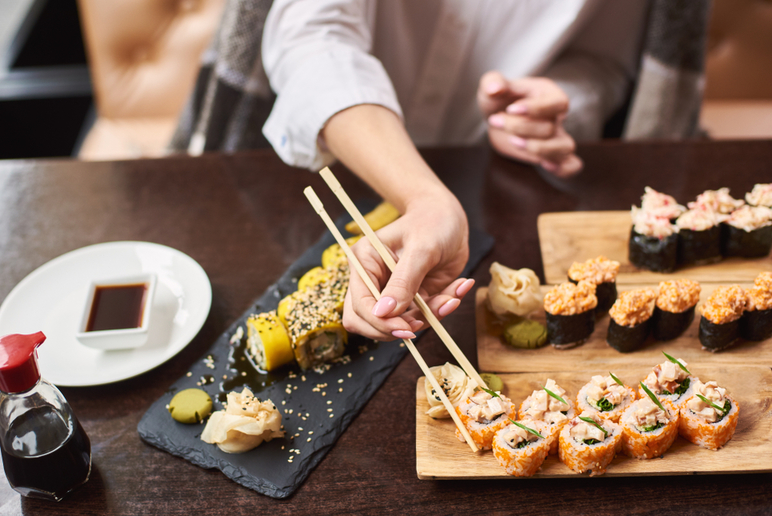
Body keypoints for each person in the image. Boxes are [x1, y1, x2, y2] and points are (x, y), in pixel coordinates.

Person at [172, 0, 711, 342]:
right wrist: (426, 198)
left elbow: (606, 61)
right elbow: (313, 36)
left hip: (504, 184)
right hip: (320, 161)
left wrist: (562, 100)